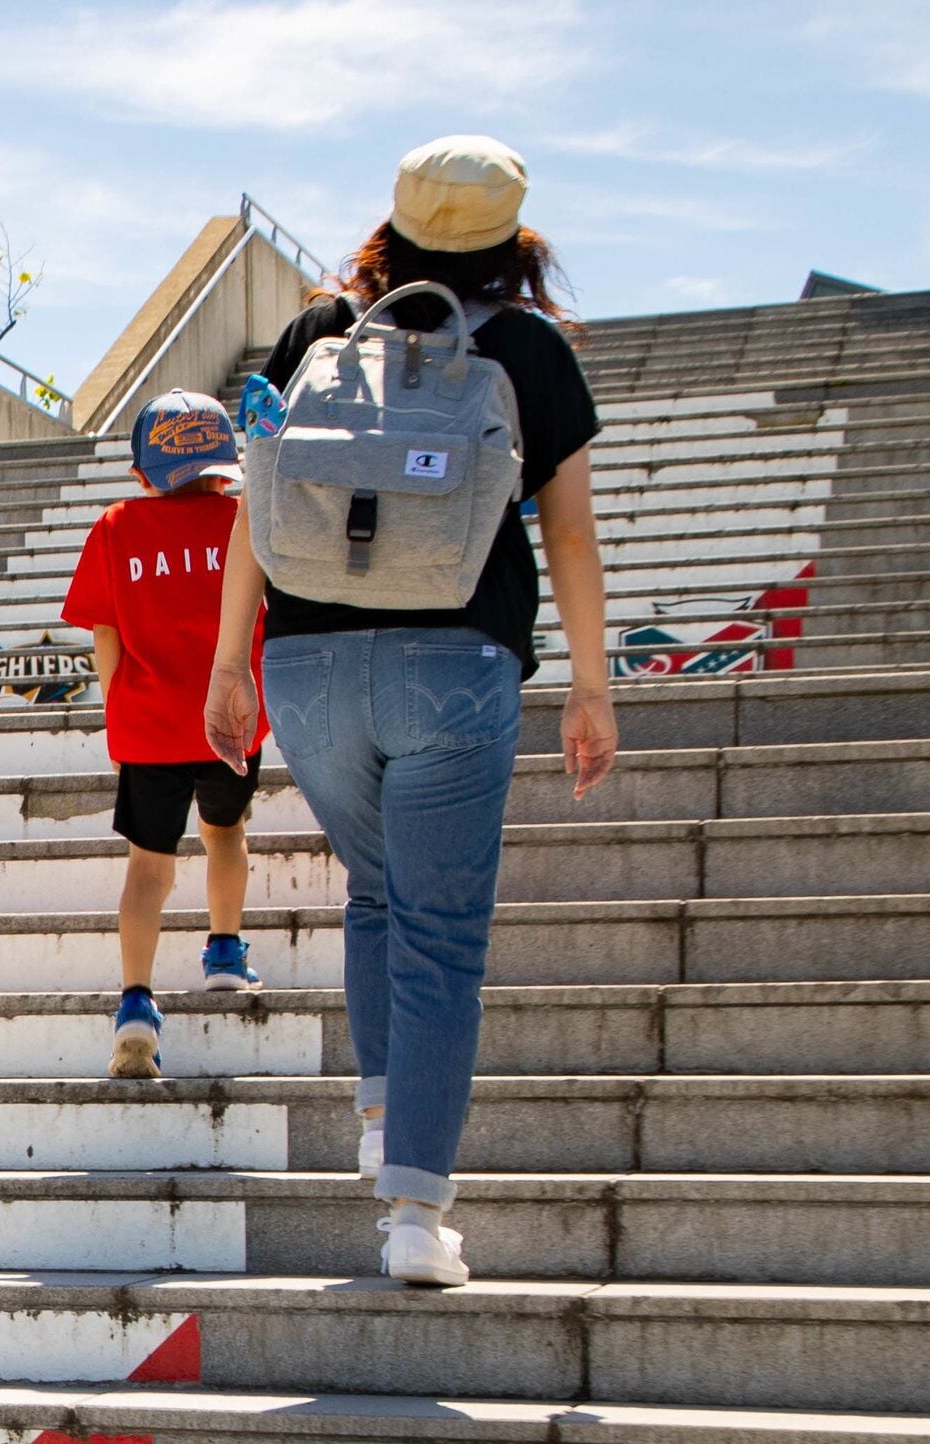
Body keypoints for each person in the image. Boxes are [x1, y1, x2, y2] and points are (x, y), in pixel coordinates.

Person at [204, 134, 618, 1287]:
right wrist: (592, 684)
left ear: (392, 223)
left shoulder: (318, 336)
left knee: (379, 893)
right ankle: (416, 1216)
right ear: (512, 237)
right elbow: (571, 532)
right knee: (441, 932)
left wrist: (229, 666)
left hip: (310, 669)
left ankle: (388, 1122)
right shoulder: (528, 349)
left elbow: (254, 506)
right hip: (456, 662)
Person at [63, 388, 266, 1082]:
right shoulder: (246, 519)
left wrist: (118, 715)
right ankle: (225, 951)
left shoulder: (117, 527)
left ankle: (136, 1004)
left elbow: (106, 637)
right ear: (226, 464)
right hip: (231, 718)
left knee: (148, 867)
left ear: (143, 472)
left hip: (149, 724)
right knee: (226, 834)